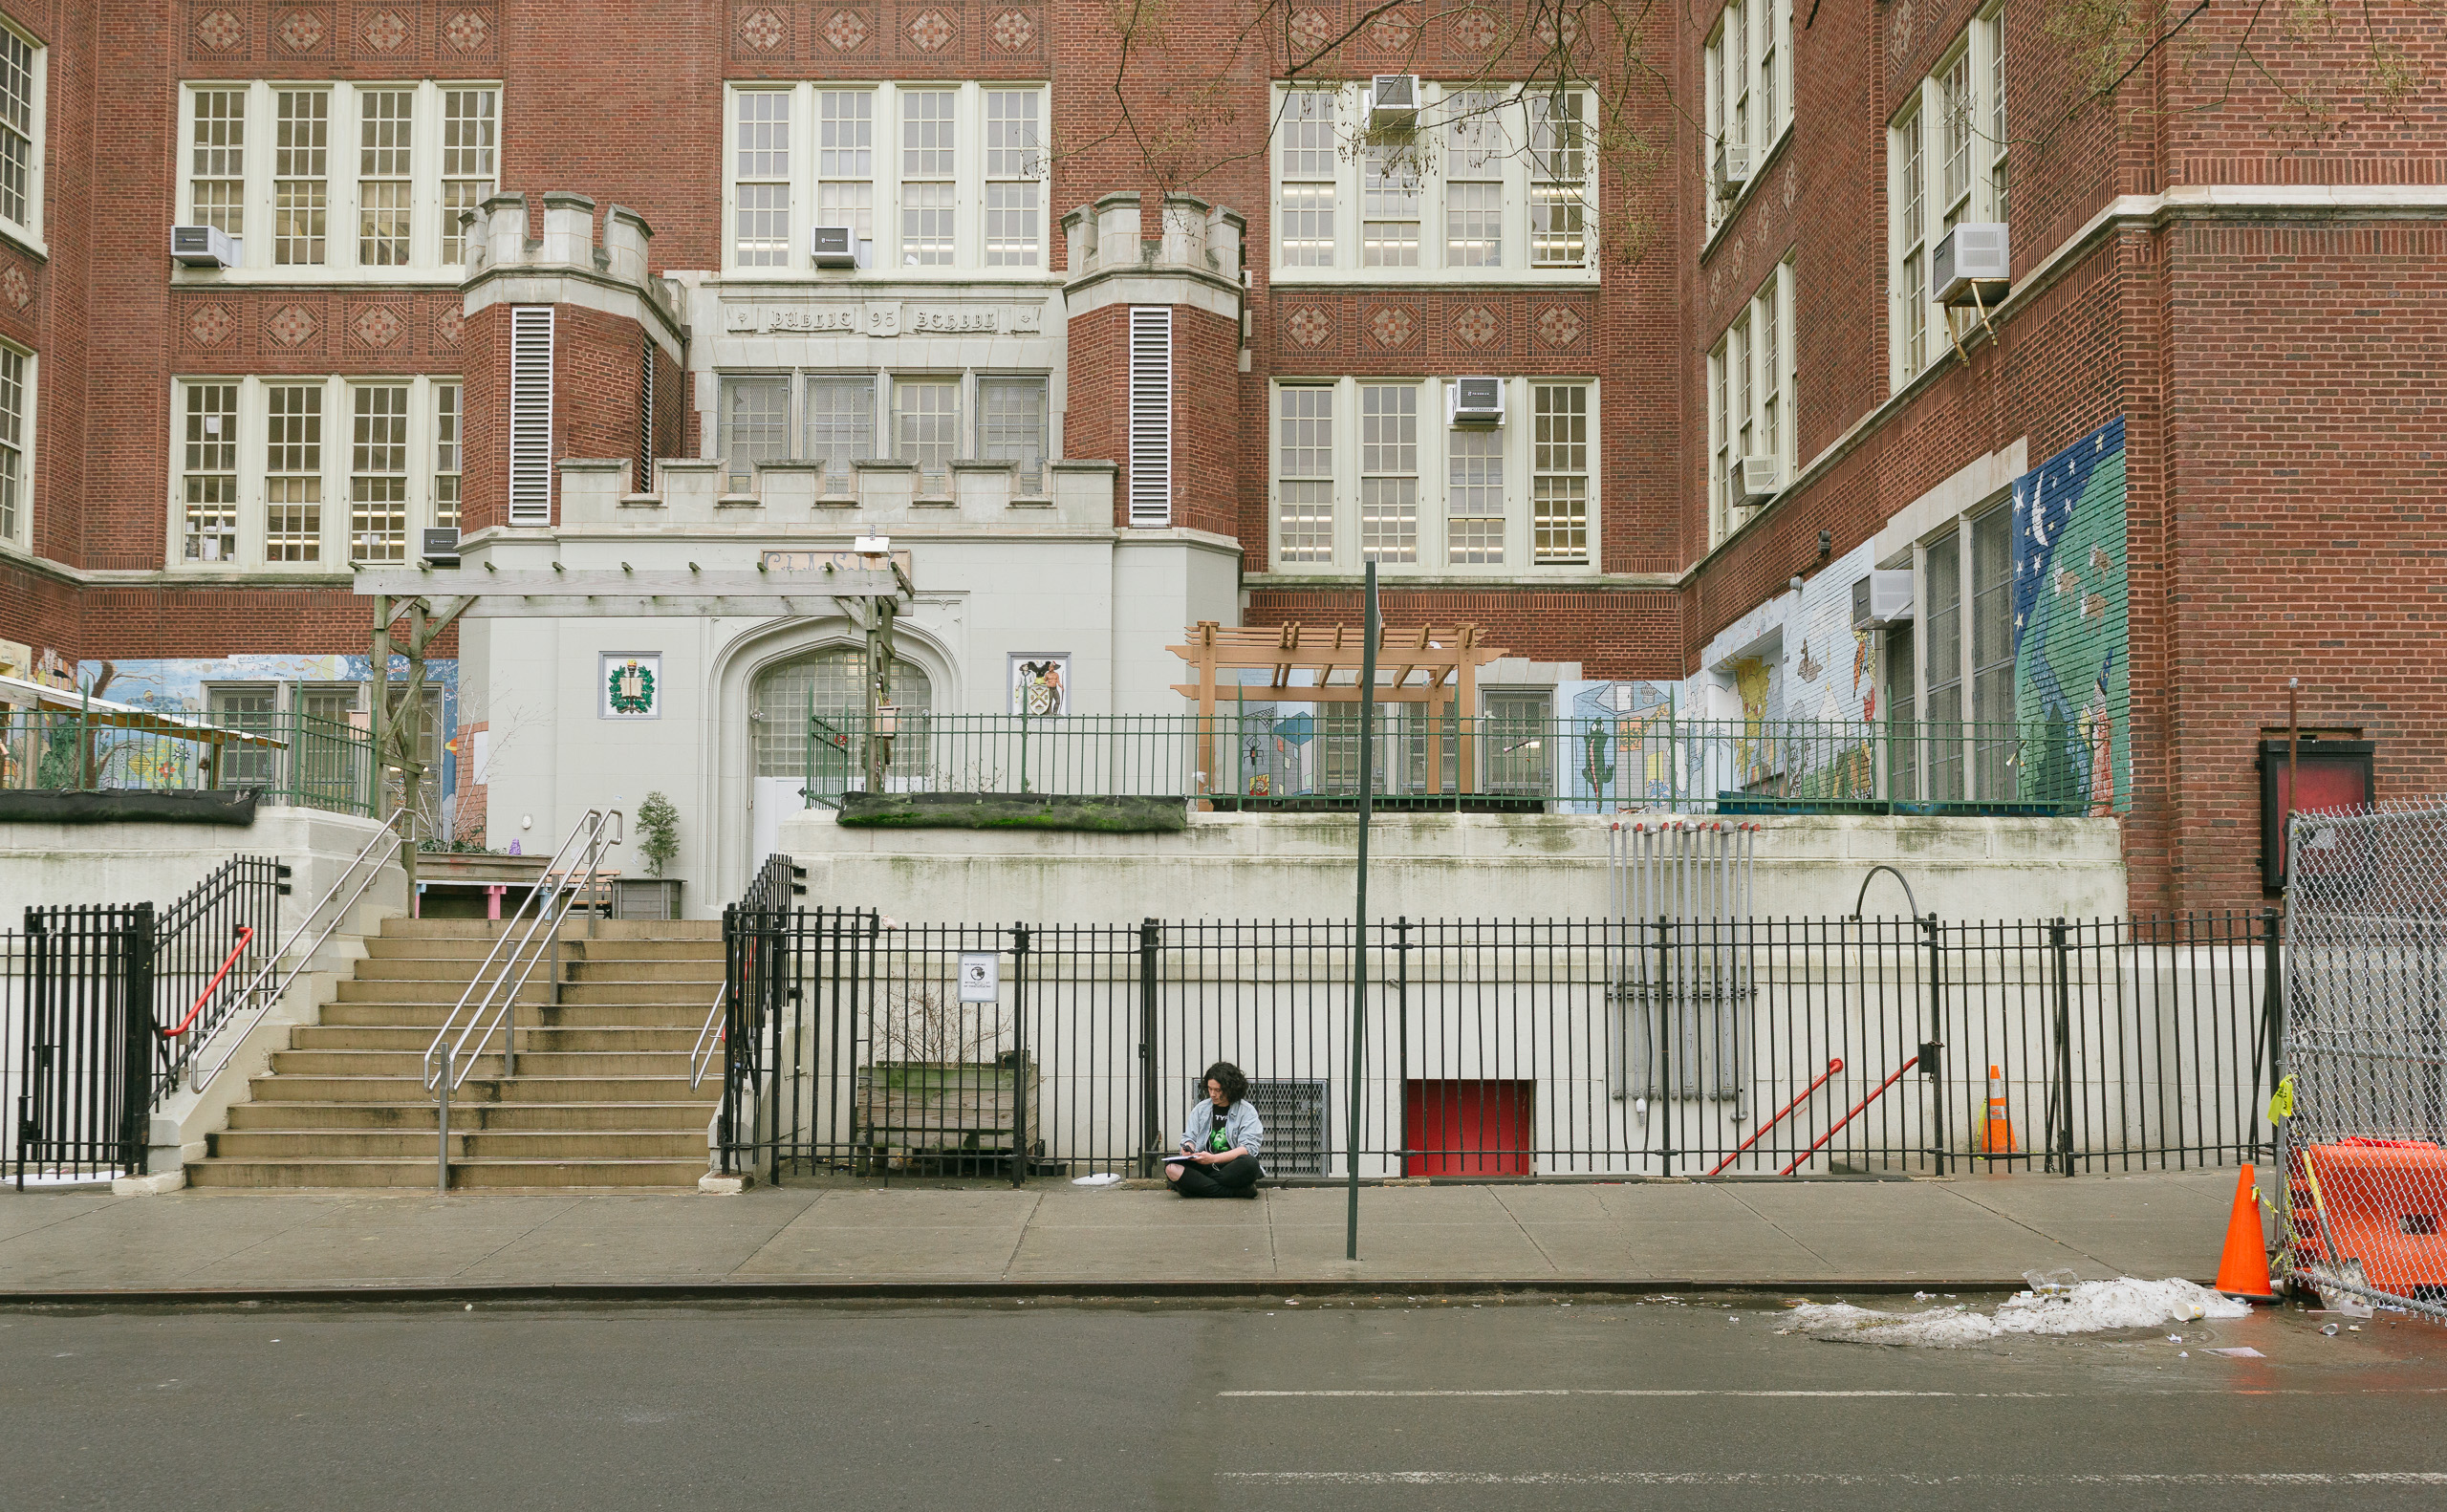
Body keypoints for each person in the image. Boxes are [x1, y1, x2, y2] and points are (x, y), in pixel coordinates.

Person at [1165, 1061, 1264, 1199]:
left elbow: (1248, 1148)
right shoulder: (1201, 1109)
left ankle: (1192, 1188)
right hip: (1203, 1164)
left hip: (1231, 1167)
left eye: (1218, 1090)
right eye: (1210, 1089)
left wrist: (1213, 1159)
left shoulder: (1246, 1111)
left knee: (1250, 1165)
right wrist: (1188, 1148)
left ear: (1231, 1088)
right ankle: (1238, 1191)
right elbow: (1189, 1138)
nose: (1212, 1094)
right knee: (1171, 1167)